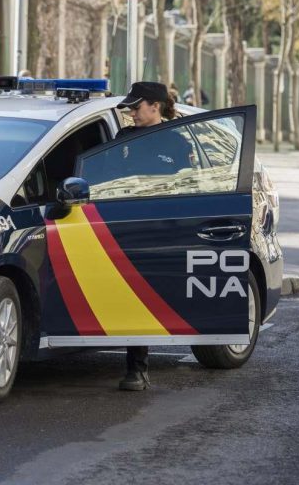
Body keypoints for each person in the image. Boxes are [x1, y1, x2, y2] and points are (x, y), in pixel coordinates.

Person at [114, 81, 188, 391]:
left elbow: (187, 186)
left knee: (142, 296)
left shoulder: (177, 143)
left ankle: (139, 369)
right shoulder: (123, 138)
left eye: (136, 107)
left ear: (155, 106)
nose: (131, 112)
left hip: (158, 229)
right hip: (120, 225)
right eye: (130, 107)